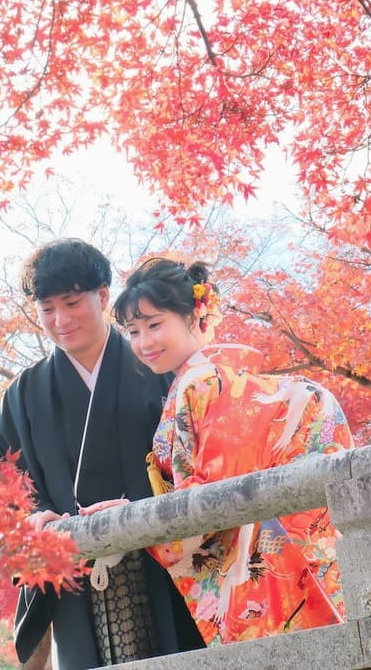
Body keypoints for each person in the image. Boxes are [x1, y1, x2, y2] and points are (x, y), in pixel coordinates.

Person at [104, 255, 354, 646]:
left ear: (194, 315)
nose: (144, 342)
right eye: (133, 332)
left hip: (272, 556)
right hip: (293, 548)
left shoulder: (203, 381)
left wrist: (133, 519)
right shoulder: (209, 379)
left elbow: (206, 503)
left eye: (155, 325)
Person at [0, 239, 204, 669]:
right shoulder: (23, 395)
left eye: (71, 303)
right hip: (76, 578)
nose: (60, 320)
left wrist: (143, 506)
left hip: (168, 564)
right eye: (47, 309)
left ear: (102, 296)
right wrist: (34, 516)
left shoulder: (158, 364)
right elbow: (6, 485)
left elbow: (198, 455)